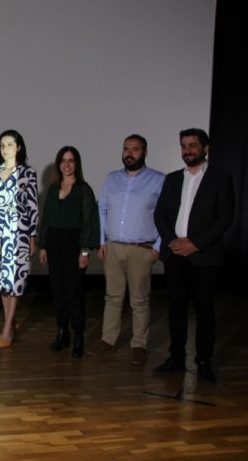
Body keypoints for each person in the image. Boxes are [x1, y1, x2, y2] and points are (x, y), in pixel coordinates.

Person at [153, 128, 234, 383]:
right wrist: (172, 241)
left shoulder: (220, 179)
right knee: (176, 308)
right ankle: (176, 357)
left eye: (192, 145)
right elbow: (160, 214)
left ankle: (203, 362)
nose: (187, 150)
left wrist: (196, 244)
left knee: (204, 311)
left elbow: (224, 218)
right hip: (175, 254)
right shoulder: (172, 179)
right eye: (184, 146)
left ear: (205, 148)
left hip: (205, 256)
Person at [87, 134, 164, 366]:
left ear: (144, 153)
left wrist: (158, 246)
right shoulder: (112, 178)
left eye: (135, 149)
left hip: (142, 249)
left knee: (139, 300)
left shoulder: (158, 180)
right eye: (126, 149)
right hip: (113, 247)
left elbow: (167, 215)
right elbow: (102, 209)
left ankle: (139, 344)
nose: (129, 153)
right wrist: (101, 241)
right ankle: (108, 339)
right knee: (112, 296)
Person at [0, 130, 38, 348]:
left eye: (10, 144)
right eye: (2, 145)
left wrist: (33, 237)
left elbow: (32, 206)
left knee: (14, 280)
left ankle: (6, 330)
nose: (5, 149)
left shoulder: (27, 173)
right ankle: (10, 323)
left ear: (19, 147)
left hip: (18, 231)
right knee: (0, 279)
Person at [38, 146, 99, 357]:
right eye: (63, 160)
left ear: (77, 164)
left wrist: (85, 251)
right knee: (58, 292)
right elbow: (46, 218)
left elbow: (89, 222)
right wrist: (43, 245)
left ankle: (78, 335)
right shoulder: (53, 189)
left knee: (74, 293)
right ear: (59, 164)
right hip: (54, 246)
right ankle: (62, 331)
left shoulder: (84, 190)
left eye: (71, 160)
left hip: (75, 247)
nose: (67, 164)